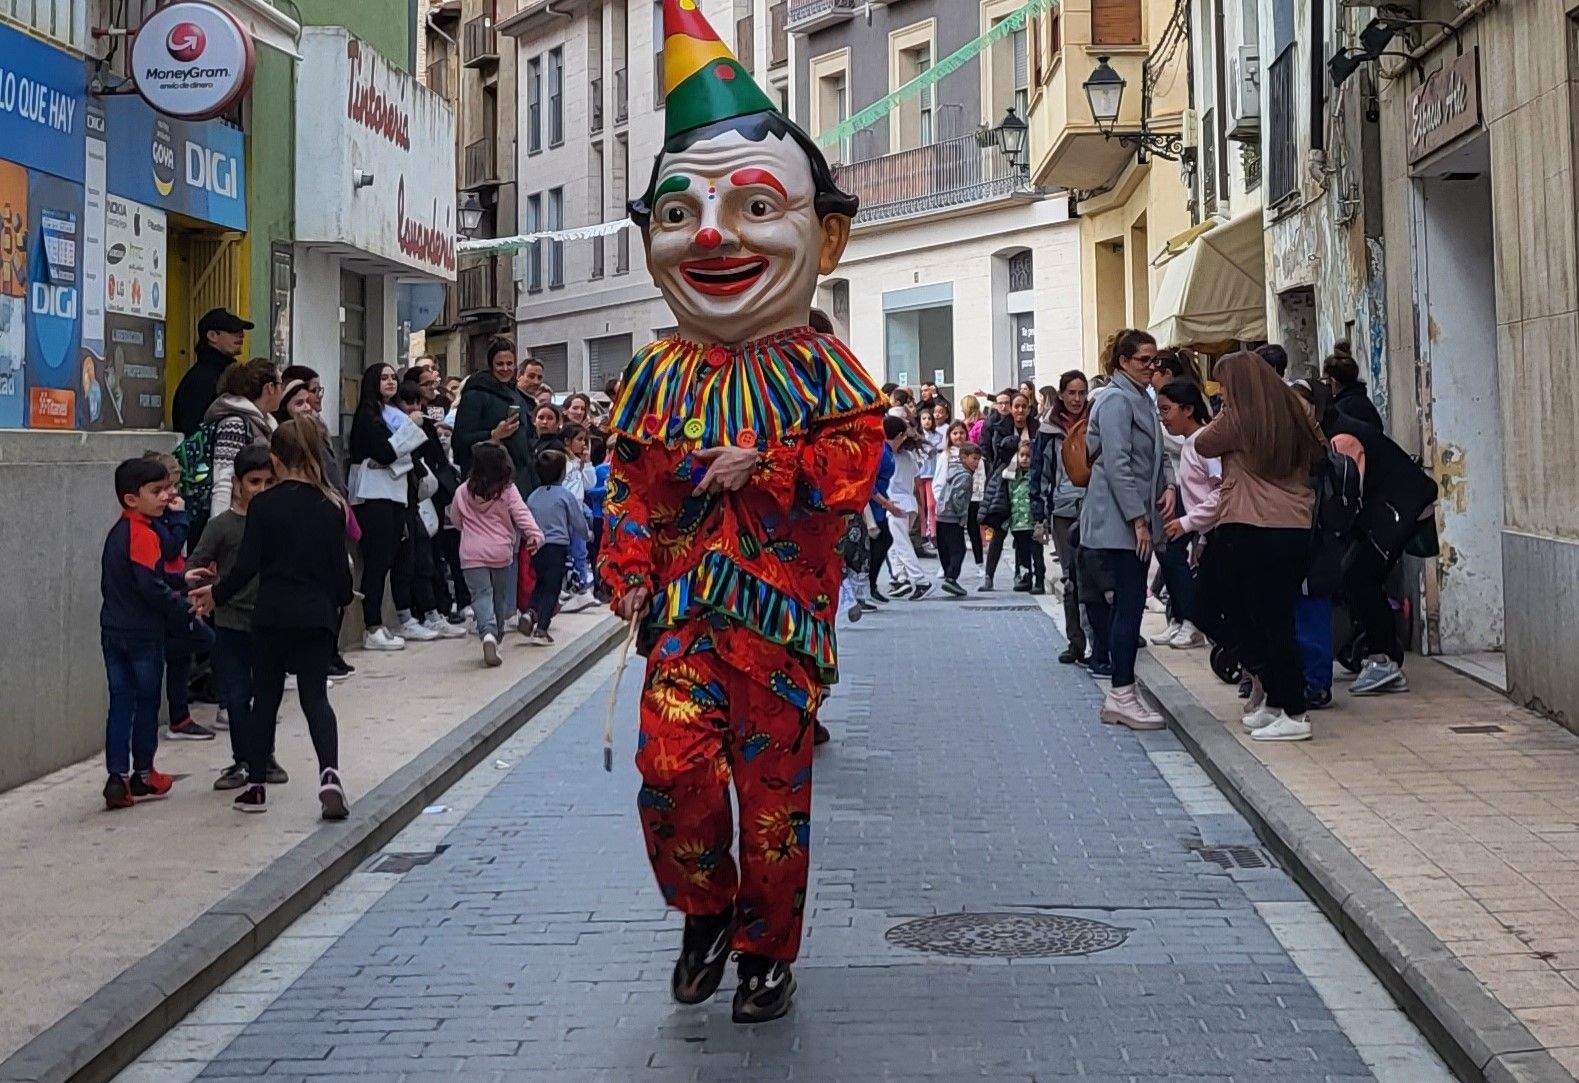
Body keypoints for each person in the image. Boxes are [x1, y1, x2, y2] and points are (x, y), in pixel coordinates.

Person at [601, 13, 886, 1022]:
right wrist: (625, 562)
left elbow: (851, 473)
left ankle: (769, 948)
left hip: (778, 622)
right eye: (682, 214)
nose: (713, 234)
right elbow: (627, 480)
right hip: (680, 612)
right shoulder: (655, 371)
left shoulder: (826, 368)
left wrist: (761, 463)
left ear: (827, 234)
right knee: (667, 769)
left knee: (772, 806)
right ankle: (703, 908)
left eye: (755, 204)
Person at [191, 420, 355, 818]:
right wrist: (340, 601)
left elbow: (247, 566)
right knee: (315, 697)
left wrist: (216, 595)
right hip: (315, 615)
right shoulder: (331, 505)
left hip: (272, 614)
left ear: (276, 460)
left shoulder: (264, 505)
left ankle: (256, 785)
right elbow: (340, 574)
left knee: (265, 697)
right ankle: (329, 773)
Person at [1195, 352, 1327, 742]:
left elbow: (1203, 443)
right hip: (1293, 528)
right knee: (1275, 617)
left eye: (1224, 386)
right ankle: (1276, 699)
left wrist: (1226, 408)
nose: (1220, 393)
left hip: (1249, 526)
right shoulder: (1297, 410)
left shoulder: (1237, 419)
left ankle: (1294, 710)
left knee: (1229, 610)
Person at [1080, 329, 1167, 730]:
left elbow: (1150, 455)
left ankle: (1123, 692)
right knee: (1129, 603)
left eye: (1154, 360)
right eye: (1144, 360)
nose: (1152, 367)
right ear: (1123, 362)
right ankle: (1121, 693)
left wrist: (1164, 487)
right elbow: (1118, 463)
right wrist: (1137, 519)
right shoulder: (1116, 400)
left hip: (1131, 516)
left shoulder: (1136, 397)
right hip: (1120, 520)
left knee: (1130, 602)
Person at [1323, 398, 1438, 697]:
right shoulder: (1337, 428)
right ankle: (1382, 652)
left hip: (1398, 508)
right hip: (1394, 507)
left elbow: (1350, 490)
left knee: (1359, 575)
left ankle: (1384, 659)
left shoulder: (1341, 437)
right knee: (1359, 575)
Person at [189, 445, 287, 789]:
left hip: (270, 622)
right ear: (238, 484)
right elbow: (196, 565)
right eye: (254, 482)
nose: (261, 489)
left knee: (266, 694)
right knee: (236, 694)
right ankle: (243, 759)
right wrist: (206, 590)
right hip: (230, 624)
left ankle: (264, 757)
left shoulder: (282, 523)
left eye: (269, 482)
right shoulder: (222, 527)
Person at [100, 457, 192, 809]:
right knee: (146, 702)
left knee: (120, 702)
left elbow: (144, 578)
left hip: (113, 629)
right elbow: (149, 586)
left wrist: (181, 580)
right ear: (131, 499)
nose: (166, 496)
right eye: (156, 491)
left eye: (167, 488)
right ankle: (142, 773)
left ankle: (116, 775)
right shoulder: (143, 533)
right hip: (142, 634)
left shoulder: (118, 532)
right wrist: (182, 604)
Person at [347, 363, 434, 650]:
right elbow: (383, 452)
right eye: (383, 378)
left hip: (396, 495)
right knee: (377, 562)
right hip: (374, 498)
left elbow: (398, 454)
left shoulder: (391, 413)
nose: (390, 382)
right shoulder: (367, 415)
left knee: (394, 559)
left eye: (392, 378)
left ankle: (379, 625)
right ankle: (371, 626)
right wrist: (400, 444)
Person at [141, 451, 218, 742]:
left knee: (183, 656)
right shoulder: (158, 522)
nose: (171, 494)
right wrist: (180, 515)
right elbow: (171, 548)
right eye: (163, 488)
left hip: (177, 585)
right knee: (198, 641)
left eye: (173, 486)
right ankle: (179, 715)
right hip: (167, 593)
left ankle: (180, 715)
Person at [448, 442, 544, 666]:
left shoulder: (463, 491)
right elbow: (522, 514)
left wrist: (470, 531)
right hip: (501, 551)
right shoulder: (508, 490)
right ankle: (497, 634)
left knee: (480, 595)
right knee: (499, 596)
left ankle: (487, 633)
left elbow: (455, 519)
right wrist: (535, 535)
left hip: (471, 553)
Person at [1155, 379, 1222, 649]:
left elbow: (1221, 493)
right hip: (1207, 532)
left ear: (1188, 410)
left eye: (1167, 410)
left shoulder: (1205, 444)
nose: (1163, 418)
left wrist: (1187, 523)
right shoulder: (1190, 444)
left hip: (1218, 530)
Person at [1032, 370, 1089, 663]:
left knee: (1096, 576)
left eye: (1082, 393)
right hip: (1063, 509)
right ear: (1062, 394)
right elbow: (1039, 473)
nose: (1077, 399)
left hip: (1094, 507)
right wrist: (1039, 517)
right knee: (1070, 578)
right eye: (1072, 393)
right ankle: (1075, 642)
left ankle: (1100, 641)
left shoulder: (1096, 421)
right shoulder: (1048, 429)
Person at [453, 339, 539, 495]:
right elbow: (460, 440)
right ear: (491, 364)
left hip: (521, 478)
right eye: (500, 364)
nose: (505, 368)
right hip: (489, 482)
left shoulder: (516, 394)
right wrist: (493, 435)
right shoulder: (475, 394)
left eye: (509, 363)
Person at [204, 358, 282, 524]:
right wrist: (220, 527)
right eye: (280, 384)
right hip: (237, 516)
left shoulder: (267, 423)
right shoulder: (234, 424)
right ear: (270, 388)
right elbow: (223, 479)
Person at [522, 449, 587, 644]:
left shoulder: (533, 496)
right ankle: (541, 629)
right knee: (553, 589)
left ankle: (530, 612)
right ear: (561, 473)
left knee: (541, 583)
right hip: (556, 548)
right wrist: (587, 535)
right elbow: (578, 521)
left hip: (537, 547)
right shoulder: (565, 496)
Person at [172, 308, 252, 437]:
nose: (241, 335)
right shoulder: (201, 379)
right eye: (232, 331)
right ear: (212, 336)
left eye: (241, 331)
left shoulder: (227, 373)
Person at [881, 414, 932, 600]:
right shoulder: (909, 456)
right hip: (908, 503)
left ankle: (921, 581)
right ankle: (901, 578)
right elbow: (917, 482)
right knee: (894, 544)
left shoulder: (888, 456)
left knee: (901, 544)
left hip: (894, 503)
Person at [935, 441, 980, 596]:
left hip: (941, 515)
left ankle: (949, 575)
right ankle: (951, 578)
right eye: (974, 458)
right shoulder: (965, 476)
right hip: (953, 517)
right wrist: (962, 514)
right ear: (964, 457)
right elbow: (957, 498)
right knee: (958, 550)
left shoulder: (952, 471)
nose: (976, 463)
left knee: (945, 548)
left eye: (978, 460)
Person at [1323, 346, 1385, 431]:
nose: (1325, 384)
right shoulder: (1361, 400)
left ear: (1334, 382)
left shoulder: (1341, 410)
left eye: (1326, 380)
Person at [915, 408, 942, 555]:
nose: (927, 421)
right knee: (921, 506)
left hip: (932, 474)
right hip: (919, 473)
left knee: (932, 505)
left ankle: (933, 533)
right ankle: (923, 533)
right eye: (924, 418)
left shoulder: (937, 436)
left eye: (929, 418)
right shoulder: (916, 436)